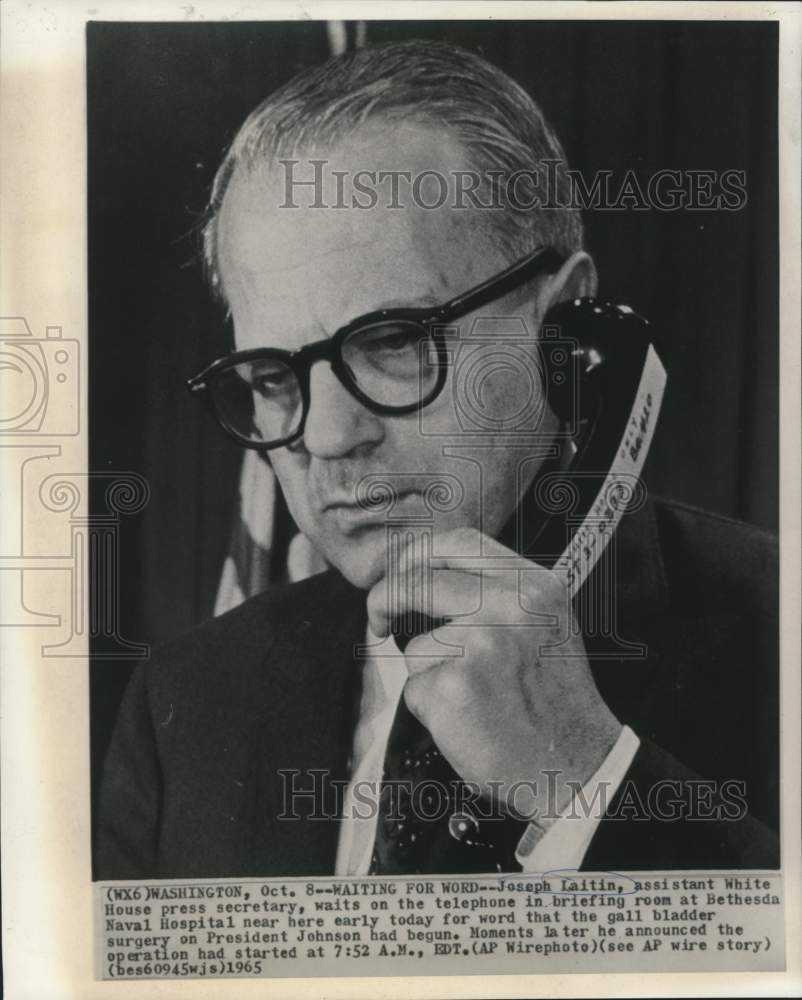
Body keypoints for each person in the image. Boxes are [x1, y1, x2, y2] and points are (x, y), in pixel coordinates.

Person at [97, 39, 778, 879]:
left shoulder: (775, 631)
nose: (328, 438)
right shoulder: (183, 702)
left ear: (563, 326)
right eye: (273, 378)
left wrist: (584, 780)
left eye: (393, 342)